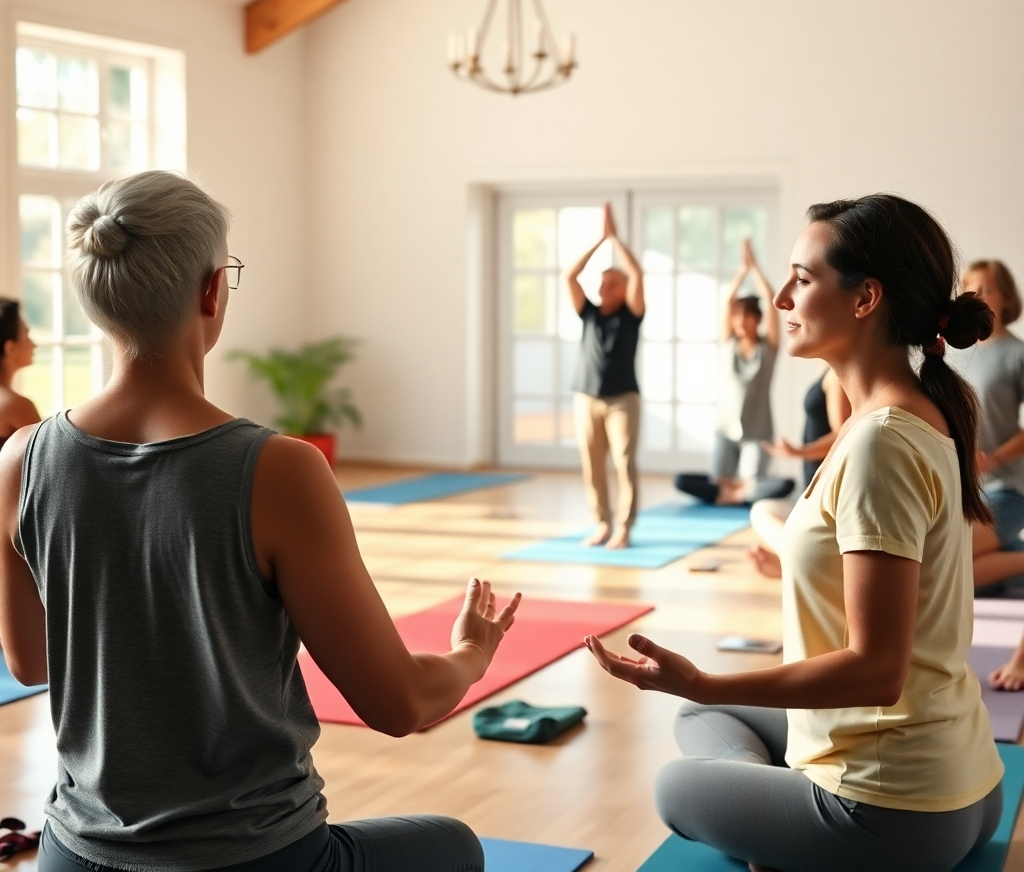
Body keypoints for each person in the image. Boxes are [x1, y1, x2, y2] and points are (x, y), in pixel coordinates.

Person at [0, 171, 521, 872]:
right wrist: (473, 654)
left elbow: (30, 660)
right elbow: (399, 703)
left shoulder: (21, 460)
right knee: (454, 846)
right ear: (212, 290)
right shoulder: (280, 469)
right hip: (255, 858)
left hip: (74, 857)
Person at [586, 194, 1003, 872]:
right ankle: (783, 819)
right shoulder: (917, 412)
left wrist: (703, 679)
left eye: (802, 279)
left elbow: (876, 669)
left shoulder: (881, 443)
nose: (781, 297)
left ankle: (793, 831)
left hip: (893, 813)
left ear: (866, 298)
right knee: (698, 722)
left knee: (674, 779)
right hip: (962, 780)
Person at [674, 240, 793, 506]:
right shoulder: (728, 343)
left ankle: (739, 490)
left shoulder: (768, 348)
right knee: (685, 481)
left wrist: (756, 269)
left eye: (747, 316)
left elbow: (772, 299)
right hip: (725, 431)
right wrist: (741, 271)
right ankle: (738, 490)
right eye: (737, 316)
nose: (740, 321)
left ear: (757, 319)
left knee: (778, 485)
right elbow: (728, 301)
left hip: (758, 431)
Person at [566, 203, 645, 549]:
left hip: (622, 400)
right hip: (586, 397)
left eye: (611, 283)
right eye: (601, 282)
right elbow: (570, 276)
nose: (602, 288)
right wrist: (600, 241)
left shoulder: (632, 315)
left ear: (623, 289)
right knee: (592, 464)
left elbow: (638, 274)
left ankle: (625, 527)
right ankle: (601, 523)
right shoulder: (589, 313)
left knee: (624, 463)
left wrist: (616, 240)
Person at [948, 261, 1024, 598]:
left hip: (1008, 488)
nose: (977, 295)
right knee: (966, 576)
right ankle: (1007, 561)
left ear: (1006, 298)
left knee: (952, 562)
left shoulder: (1017, 355)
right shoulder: (954, 353)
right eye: (971, 288)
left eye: (987, 288)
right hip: (963, 490)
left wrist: (992, 459)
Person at [747, 368, 851, 578]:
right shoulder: (829, 371)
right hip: (812, 492)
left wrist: (798, 452)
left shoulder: (835, 376)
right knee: (763, 510)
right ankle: (795, 561)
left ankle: (793, 565)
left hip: (823, 496)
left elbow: (842, 434)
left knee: (762, 511)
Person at [0, 299, 41, 450]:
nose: (33, 344)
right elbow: (46, 462)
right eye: (27, 336)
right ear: (10, 348)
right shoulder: (17, 406)